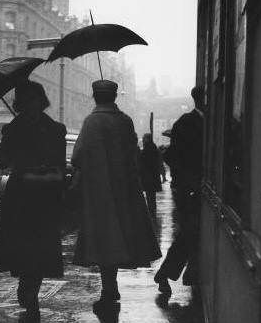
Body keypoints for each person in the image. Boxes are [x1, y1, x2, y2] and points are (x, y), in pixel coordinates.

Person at [71, 80, 161, 309]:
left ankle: (108, 288)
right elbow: (133, 153)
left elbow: (77, 157)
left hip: (100, 192)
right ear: (114, 97)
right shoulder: (125, 121)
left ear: (94, 96)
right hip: (126, 190)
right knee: (123, 235)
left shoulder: (92, 122)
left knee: (104, 239)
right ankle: (110, 287)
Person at [0, 80, 66, 318]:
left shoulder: (15, 128)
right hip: (44, 194)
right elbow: (60, 164)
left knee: (23, 242)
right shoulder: (54, 128)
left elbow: (1, 161)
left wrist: (8, 148)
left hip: (22, 194)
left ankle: (28, 286)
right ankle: (30, 287)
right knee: (39, 244)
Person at [154, 86, 204, 297]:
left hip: (194, 186)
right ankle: (169, 273)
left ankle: (177, 273)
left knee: (192, 233)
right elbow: (172, 156)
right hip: (188, 188)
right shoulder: (185, 122)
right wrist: (188, 178)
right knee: (190, 232)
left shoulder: (199, 121)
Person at [139, 133, 163, 218]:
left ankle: (151, 212)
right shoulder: (154, 149)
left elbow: (144, 162)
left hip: (148, 176)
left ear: (147, 139)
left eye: (144, 138)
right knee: (152, 196)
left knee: (150, 196)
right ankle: (153, 212)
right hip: (153, 176)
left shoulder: (147, 150)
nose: (143, 140)